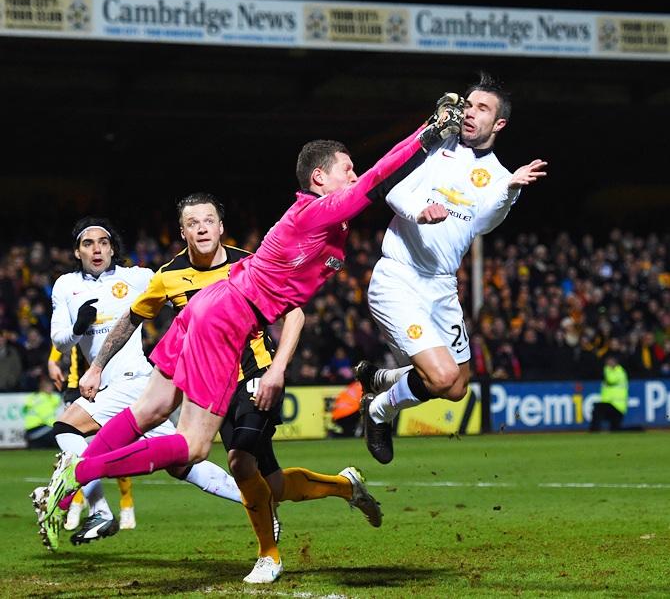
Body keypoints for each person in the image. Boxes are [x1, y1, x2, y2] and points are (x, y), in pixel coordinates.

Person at [36, 91, 466, 584]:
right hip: (229, 318)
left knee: (149, 413)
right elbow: (374, 182)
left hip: (210, 307)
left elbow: (381, 189)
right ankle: (84, 473)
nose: (353, 173)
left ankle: (75, 473)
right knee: (193, 447)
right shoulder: (313, 211)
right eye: (345, 167)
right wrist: (428, 133)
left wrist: (428, 184)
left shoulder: (325, 222)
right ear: (319, 178)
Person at [39, 194, 383, 574]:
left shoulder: (250, 265)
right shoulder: (168, 276)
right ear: (182, 231)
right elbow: (131, 319)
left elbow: (295, 313)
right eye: (192, 223)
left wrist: (278, 368)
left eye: (208, 221)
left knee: (238, 462)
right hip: (204, 385)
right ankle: (345, 486)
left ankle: (268, 555)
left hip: (253, 377)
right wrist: (97, 366)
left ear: (221, 227)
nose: (201, 228)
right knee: (274, 487)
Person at [356, 72, 548, 464]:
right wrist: (419, 212)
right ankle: (378, 412)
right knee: (441, 377)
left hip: (441, 286)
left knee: (457, 386)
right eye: (469, 104)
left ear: (499, 124)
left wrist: (510, 189)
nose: (471, 113)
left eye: (482, 108)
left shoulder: (499, 176)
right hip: (399, 277)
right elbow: (389, 185)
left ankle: (380, 380)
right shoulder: (432, 144)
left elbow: (484, 221)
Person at [32, 216, 242, 551]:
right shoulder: (65, 286)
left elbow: (180, 287)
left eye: (103, 242)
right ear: (77, 251)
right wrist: (77, 329)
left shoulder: (137, 277)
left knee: (66, 426)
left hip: (134, 380)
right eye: (88, 243)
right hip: (119, 389)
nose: (97, 249)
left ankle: (97, 510)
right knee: (182, 464)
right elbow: (59, 342)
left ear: (113, 248)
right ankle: (255, 500)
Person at [47, 343, 136, 532]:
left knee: (114, 450)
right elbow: (66, 336)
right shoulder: (75, 318)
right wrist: (52, 361)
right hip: (75, 388)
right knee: (75, 454)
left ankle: (126, 503)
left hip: (107, 388)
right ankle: (78, 503)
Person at [589, 354, 628, 432]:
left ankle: (594, 430)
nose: (608, 364)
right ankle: (595, 429)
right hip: (611, 405)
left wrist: (606, 369)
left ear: (615, 362)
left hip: (617, 406)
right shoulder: (613, 371)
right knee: (615, 429)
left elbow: (611, 380)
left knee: (598, 408)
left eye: (610, 362)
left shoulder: (619, 371)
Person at [23, 372, 62, 448]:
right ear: (43, 387)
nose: (51, 388)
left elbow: (56, 399)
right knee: (60, 432)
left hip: (32, 432)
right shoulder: (42, 400)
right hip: (36, 430)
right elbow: (49, 420)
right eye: (48, 386)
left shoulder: (39, 398)